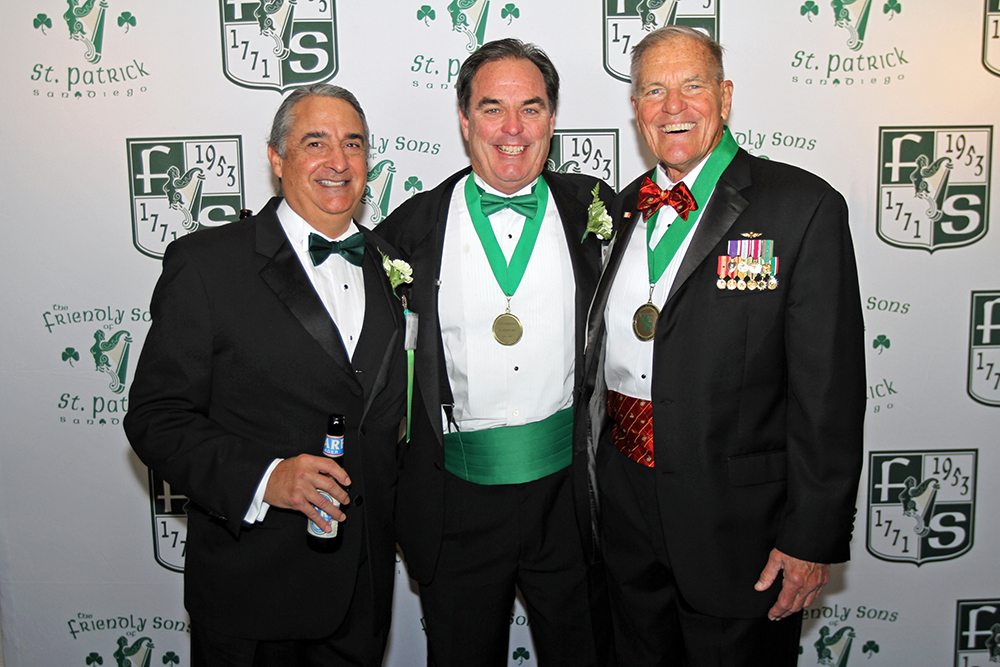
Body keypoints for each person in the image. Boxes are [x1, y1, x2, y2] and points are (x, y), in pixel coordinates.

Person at [580, 26, 866, 666]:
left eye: (692, 86)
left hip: (740, 528)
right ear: (636, 106)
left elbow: (830, 392)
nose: (673, 106)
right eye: (654, 90)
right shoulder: (619, 211)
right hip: (625, 515)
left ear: (726, 96)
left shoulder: (801, 207)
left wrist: (811, 536)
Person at [123, 84, 407, 667]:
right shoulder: (207, 264)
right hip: (253, 592)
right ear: (277, 159)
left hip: (362, 590)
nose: (338, 161)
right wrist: (266, 477)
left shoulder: (392, 264)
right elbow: (156, 418)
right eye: (315, 143)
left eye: (353, 144)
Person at [377, 38, 614, 667]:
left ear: (553, 118)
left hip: (571, 499)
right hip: (456, 504)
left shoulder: (597, 211)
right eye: (492, 108)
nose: (513, 129)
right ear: (464, 119)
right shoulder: (408, 230)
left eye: (531, 108)